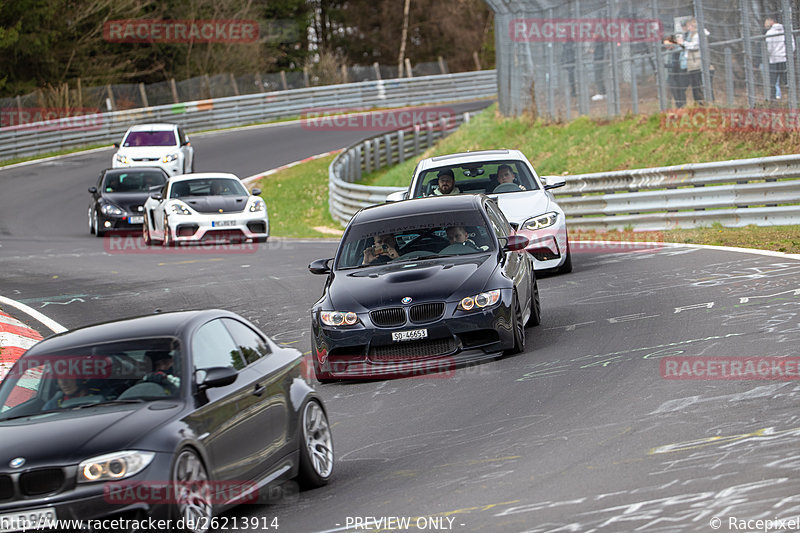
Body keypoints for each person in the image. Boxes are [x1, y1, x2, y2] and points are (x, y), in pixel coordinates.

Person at [765, 17, 796, 101]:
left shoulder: (770, 33)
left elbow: (769, 48)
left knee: (773, 82)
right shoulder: (787, 31)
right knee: (788, 80)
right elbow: (792, 46)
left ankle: (773, 99)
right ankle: (792, 98)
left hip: (774, 60)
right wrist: (786, 53)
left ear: (771, 22)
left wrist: (771, 55)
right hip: (785, 59)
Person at [683, 19, 712, 105]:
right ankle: (700, 103)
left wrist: (683, 43)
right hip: (694, 63)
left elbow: (694, 46)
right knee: (696, 86)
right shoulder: (693, 35)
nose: (688, 28)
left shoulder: (699, 34)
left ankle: (703, 103)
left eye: (690, 26)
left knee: (698, 86)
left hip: (697, 63)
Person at [663, 33, 688, 108]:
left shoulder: (677, 51)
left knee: (680, 91)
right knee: (674, 92)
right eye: (665, 44)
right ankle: (678, 106)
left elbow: (676, 64)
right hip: (671, 75)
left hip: (678, 74)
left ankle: (682, 106)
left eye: (668, 44)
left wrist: (665, 65)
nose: (666, 46)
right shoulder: (668, 52)